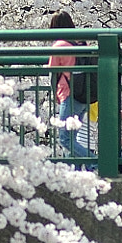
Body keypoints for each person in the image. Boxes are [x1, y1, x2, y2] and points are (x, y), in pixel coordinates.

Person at [46, 10, 90, 157]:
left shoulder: (59, 45)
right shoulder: (81, 43)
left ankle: (97, 162)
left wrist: (55, 95)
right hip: (84, 94)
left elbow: (53, 72)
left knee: (65, 139)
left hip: (68, 94)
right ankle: (83, 171)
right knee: (73, 139)